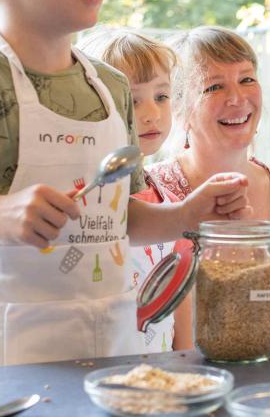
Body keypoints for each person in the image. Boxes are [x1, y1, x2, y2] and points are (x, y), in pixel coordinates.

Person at [0, 0, 250, 370]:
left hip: (115, 349)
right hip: (12, 359)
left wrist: (186, 215)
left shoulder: (110, 85)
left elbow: (116, 217)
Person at [148, 26, 270, 339]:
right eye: (213, 87)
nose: (237, 98)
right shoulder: (154, 193)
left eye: (247, 79)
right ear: (179, 108)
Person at [78, 28, 194, 351]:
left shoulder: (169, 200)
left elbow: (178, 295)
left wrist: (185, 364)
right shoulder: (87, 200)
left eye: (161, 96)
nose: (151, 114)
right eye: (131, 100)